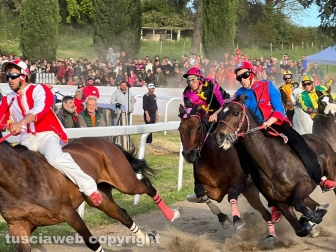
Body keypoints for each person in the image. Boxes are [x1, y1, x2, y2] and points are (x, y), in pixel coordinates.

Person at [234, 61, 336, 221]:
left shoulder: (267, 86)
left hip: (277, 124)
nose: (242, 80)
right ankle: (273, 205)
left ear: (252, 73)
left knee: (298, 143)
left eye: (245, 75)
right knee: (249, 164)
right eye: (239, 78)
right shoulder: (240, 93)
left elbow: (279, 109)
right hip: (256, 133)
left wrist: (270, 121)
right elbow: (231, 108)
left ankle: (320, 179)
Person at [0, 59, 102, 206]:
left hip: (47, 135)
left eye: (13, 75)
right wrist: (12, 126)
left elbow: (40, 110)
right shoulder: (8, 98)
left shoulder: (39, 89)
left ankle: (89, 187)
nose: (9, 79)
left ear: (23, 76)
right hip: (26, 140)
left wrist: (20, 123)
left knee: (55, 159)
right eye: (7, 76)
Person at [182, 67, 230, 203]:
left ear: (200, 80)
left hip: (222, 116)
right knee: (196, 147)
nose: (190, 83)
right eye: (188, 81)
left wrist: (216, 114)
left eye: (193, 80)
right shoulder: (187, 93)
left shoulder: (212, 85)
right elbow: (190, 112)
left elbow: (225, 102)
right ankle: (198, 187)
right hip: (203, 122)